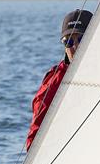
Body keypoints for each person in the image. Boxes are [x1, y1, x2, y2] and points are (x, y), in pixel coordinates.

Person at [24, 9, 93, 151]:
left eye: (81, 39)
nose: (74, 46)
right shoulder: (55, 80)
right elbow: (36, 133)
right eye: (68, 41)